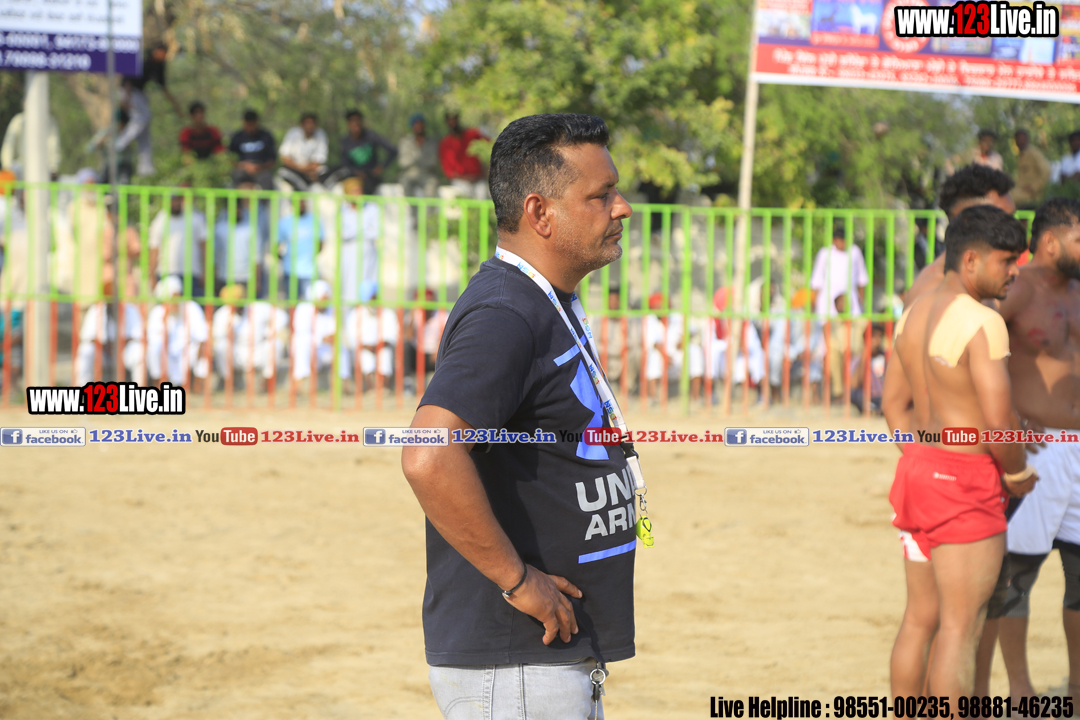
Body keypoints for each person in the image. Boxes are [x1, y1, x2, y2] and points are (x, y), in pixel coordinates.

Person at [401, 113, 640, 719]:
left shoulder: (542, 302)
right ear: (540, 213)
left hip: (540, 662)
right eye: (601, 195)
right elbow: (429, 454)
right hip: (515, 665)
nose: (622, 208)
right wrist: (517, 580)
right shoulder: (506, 313)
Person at [882, 204, 1036, 704]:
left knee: (918, 619)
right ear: (971, 260)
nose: (1015, 271)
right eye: (1007, 260)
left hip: (917, 473)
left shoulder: (913, 313)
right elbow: (998, 421)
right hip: (965, 481)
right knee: (960, 626)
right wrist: (1016, 473)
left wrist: (924, 459)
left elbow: (892, 404)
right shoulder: (982, 321)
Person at [991, 198, 1080, 704]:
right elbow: (975, 348)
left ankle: (1078, 689)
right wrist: (1005, 414)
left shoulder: (1079, 292)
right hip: (1039, 451)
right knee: (1017, 573)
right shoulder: (1018, 288)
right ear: (1050, 241)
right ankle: (1021, 691)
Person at [905, 164, 1016, 310]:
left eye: (1012, 219)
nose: (1013, 230)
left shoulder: (980, 283)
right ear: (966, 223)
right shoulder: (936, 292)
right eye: (1001, 221)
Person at [810, 222, 869, 400]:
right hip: (828, 311)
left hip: (851, 312)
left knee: (853, 350)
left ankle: (849, 390)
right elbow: (816, 281)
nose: (841, 243)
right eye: (838, 239)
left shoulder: (855, 252)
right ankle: (827, 392)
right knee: (824, 351)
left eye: (844, 239)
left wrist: (861, 303)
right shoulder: (825, 253)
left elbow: (862, 280)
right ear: (833, 240)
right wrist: (813, 306)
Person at [118, 43, 183, 177]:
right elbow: (127, 79)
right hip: (128, 92)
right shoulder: (143, 61)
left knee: (145, 128)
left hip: (139, 93)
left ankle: (146, 168)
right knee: (143, 117)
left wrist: (176, 106)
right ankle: (120, 144)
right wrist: (126, 98)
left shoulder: (159, 66)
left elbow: (163, 88)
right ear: (156, 51)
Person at [146, 276, 210, 389]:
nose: (174, 301)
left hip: (189, 352)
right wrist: (164, 320)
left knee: (205, 348)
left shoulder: (191, 307)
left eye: (177, 296)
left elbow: (202, 336)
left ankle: (198, 385)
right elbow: (153, 340)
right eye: (171, 298)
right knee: (154, 348)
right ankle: (158, 384)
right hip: (166, 354)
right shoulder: (157, 313)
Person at [148, 184, 208, 299]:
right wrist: (152, 276)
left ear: (182, 200)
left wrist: (206, 271)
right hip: (165, 272)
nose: (174, 203)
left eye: (177, 200)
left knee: (190, 307)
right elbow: (154, 249)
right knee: (167, 308)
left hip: (191, 273)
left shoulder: (195, 218)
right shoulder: (160, 220)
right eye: (172, 200)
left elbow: (204, 246)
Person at [212, 183, 268, 297]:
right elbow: (215, 255)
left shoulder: (251, 228)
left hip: (246, 277)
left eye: (238, 209)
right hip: (225, 277)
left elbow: (257, 257)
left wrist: (257, 280)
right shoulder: (219, 228)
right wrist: (214, 277)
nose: (236, 211)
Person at [339, 110, 398, 195]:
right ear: (348, 124)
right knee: (350, 187)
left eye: (357, 120)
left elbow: (392, 150)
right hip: (354, 176)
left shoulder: (371, 136)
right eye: (352, 121)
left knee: (366, 189)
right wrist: (356, 172)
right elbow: (345, 164)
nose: (355, 123)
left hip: (371, 176)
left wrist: (382, 166)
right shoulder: (345, 141)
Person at [277, 198, 323, 301]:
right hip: (290, 271)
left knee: (310, 304)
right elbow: (277, 245)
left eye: (303, 201)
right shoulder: (285, 222)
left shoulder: (314, 220)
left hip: (310, 271)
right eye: (298, 202)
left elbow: (320, 243)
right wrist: (285, 259)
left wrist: (309, 257)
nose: (301, 204)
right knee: (292, 304)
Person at [439, 112, 489, 200]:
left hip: (478, 179)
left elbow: (489, 144)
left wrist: (488, 169)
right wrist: (466, 178)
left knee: (483, 194)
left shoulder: (472, 134)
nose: (453, 123)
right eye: (450, 121)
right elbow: (449, 171)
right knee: (463, 196)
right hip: (461, 181)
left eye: (454, 120)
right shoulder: (446, 143)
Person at [277, 112, 329, 191]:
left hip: (312, 173)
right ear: (301, 125)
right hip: (294, 171)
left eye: (312, 123)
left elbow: (318, 161)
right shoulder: (293, 133)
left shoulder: (321, 134)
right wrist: (301, 170)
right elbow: (285, 158)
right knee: (283, 176)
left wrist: (307, 169)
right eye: (307, 123)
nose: (310, 126)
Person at [1, 111, 60, 178]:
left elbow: (53, 146)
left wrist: (53, 168)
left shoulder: (49, 121)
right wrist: (7, 168)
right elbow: (8, 146)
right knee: (14, 170)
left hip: (43, 167)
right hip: (21, 167)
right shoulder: (19, 121)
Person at [228, 110, 277, 190]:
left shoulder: (266, 136)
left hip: (262, 171)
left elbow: (272, 160)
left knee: (267, 178)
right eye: (248, 124)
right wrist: (244, 165)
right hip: (242, 171)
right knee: (235, 177)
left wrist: (258, 167)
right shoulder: (236, 138)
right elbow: (230, 159)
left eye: (252, 124)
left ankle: (264, 198)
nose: (250, 127)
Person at [398, 113, 441, 198]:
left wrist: (414, 158)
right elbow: (403, 162)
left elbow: (433, 162)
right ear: (412, 126)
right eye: (416, 124)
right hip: (410, 174)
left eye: (420, 124)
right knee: (405, 183)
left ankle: (429, 207)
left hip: (427, 174)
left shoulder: (432, 142)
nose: (419, 127)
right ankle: (413, 207)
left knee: (432, 186)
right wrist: (420, 157)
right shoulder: (405, 142)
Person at [850, 322, 886, 414]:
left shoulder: (886, 356)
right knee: (854, 394)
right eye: (873, 337)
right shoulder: (858, 359)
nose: (877, 340)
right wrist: (865, 356)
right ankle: (873, 409)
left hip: (884, 396)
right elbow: (854, 384)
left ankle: (879, 408)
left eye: (880, 337)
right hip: (868, 398)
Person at [1013, 129, 1051, 209]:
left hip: (1031, 195)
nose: (1020, 142)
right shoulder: (1022, 155)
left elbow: (1047, 171)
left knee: (1007, 199)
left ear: (1027, 140)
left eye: (1023, 139)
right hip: (1020, 190)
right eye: (1018, 139)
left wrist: (1033, 187)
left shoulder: (1034, 153)